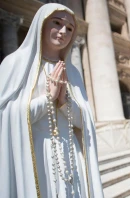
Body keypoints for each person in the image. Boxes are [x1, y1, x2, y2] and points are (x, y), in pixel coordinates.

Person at [0, 4, 103, 198]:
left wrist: (64, 102)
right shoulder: (14, 63)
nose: (63, 31)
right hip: (35, 154)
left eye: (70, 28)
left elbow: (85, 123)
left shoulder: (73, 73)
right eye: (57, 23)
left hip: (71, 158)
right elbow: (5, 117)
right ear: (41, 24)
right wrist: (49, 98)